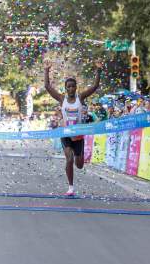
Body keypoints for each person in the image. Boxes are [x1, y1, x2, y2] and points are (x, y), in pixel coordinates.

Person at [44, 58, 103, 195]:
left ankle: (81, 156)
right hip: (66, 134)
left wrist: (98, 70)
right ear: (66, 88)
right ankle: (71, 187)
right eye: (68, 86)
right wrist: (46, 70)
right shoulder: (61, 98)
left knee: (79, 165)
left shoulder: (80, 98)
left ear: (76, 88)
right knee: (69, 158)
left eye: (73, 86)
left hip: (78, 135)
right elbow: (47, 87)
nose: (71, 88)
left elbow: (94, 87)